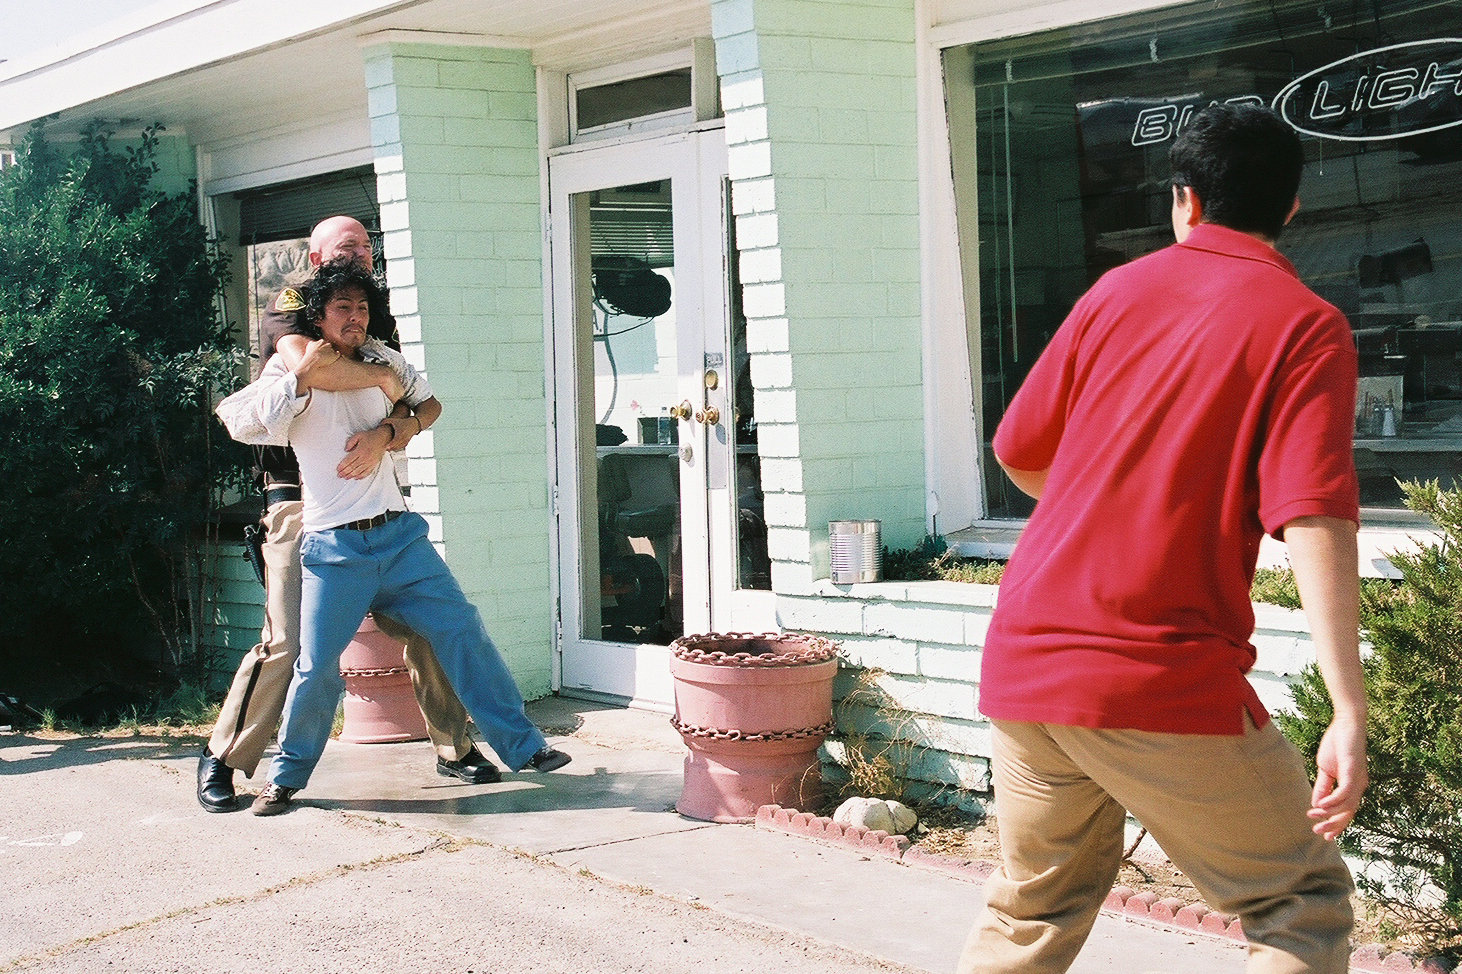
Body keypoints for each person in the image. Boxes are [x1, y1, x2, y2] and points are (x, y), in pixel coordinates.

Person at [960, 103, 1368, 974]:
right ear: (1290, 209)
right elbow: (1314, 514)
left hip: (1028, 663)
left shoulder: (1115, 291)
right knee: (1300, 907)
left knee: (1033, 909)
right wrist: (1348, 704)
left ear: (1184, 202)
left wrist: (1111, 498)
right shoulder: (1306, 324)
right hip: (1159, 671)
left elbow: (1021, 453)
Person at [235, 259, 568, 816]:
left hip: (399, 539)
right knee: (316, 667)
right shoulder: (293, 372)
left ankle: (524, 746)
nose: (355, 317)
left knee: (461, 626)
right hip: (334, 549)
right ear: (318, 316)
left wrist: (392, 430)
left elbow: (430, 404)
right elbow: (243, 423)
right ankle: (286, 778)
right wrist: (297, 380)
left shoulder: (382, 358)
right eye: (343, 307)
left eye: (362, 307)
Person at [197, 216, 497, 813]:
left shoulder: (372, 314)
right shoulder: (293, 305)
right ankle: (225, 758)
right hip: (298, 499)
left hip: (374, 504)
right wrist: (386, 378)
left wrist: (394, 425)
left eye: (365, 244)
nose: (360, 253)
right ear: (315, 259)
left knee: (431, 623)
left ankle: (455, 747)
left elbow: (414, 408)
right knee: (288, 641)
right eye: (345, 246)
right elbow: (320, 368)